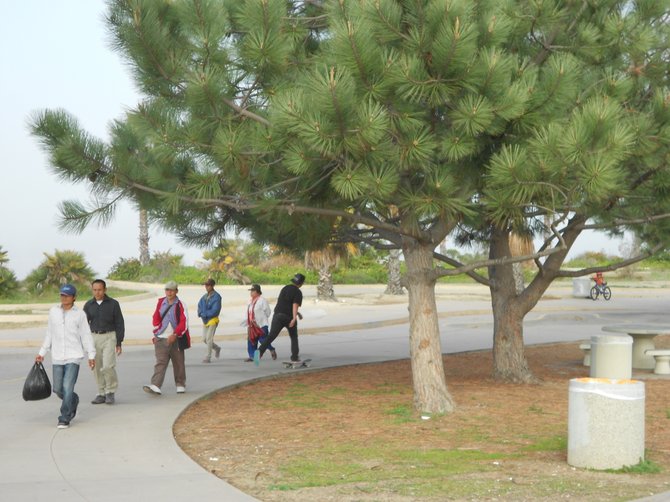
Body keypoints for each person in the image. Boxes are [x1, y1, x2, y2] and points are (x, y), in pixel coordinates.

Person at [35, 284, 96, 429]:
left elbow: (86, 335)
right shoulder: (53, 312)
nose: (64, 298)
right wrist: (42, 353)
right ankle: (73, 400)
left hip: (74, 356)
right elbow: (49, 333)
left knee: (68, 387)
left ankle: (64, 417)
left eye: (67, 295)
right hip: (57, 356)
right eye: (62, 295)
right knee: (58, 389)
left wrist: (91, 355)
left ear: (74, 297)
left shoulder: (80, 314)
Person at [143, 281, 189, 395]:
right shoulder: (160, 302)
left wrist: (175, 334)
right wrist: (156, 332)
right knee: (160, 362)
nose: (169, 292)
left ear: (176, 291)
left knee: (178, 362)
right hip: (161, 337)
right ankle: (156, 385)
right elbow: (156, 317)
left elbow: (184, 322)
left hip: (176, 338)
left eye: (172, 290)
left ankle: (180, 384)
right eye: (167, 290)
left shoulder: (181, 304)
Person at [83, 279, 125, 405]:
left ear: (105, 290)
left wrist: (119, 342)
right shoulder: (89, 305)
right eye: (95, 290)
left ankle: (110, 391)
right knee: (96, 367)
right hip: (94, 337)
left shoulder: (113, 304)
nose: (97, 292)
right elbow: (84, 324)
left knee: (108, 366)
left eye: (100, 290)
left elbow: (119, 323)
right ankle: (101, 393)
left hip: (109, 337)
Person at [255, 273, 305, 364]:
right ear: (301, 283)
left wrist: (298, 313)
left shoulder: (285, 288)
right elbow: (294, 305)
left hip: (278, 315)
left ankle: (259, 352)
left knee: (271, 336)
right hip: (288, 317)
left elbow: (284, 303)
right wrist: (294, 318)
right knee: (294, 337)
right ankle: (294, 357)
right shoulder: (298, 292)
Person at [244, 284, 276, 362]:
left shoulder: (262, 300)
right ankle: (253, 356)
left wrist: (261, 318)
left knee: (263, 340)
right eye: (250, 291)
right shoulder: (250, 301)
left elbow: (268, 312)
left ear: (257, 292)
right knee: (251, 340)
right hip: (252, 325)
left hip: (261, 324)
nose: (251, 293)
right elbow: (248, 313)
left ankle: (271, 349)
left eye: (252, 291)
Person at [197, 278, 222, 363]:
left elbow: (215, 310)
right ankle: (217, 348)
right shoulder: (204, 296)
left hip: (213, 319)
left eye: (208, 285)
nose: (206, 287)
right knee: (204, 339)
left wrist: (205, 314)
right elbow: (199, 305)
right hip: (205, 320)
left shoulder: (217, 297)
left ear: (212, 286)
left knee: (209, 339)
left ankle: (208, 356)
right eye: (205, 285)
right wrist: (200, 313)